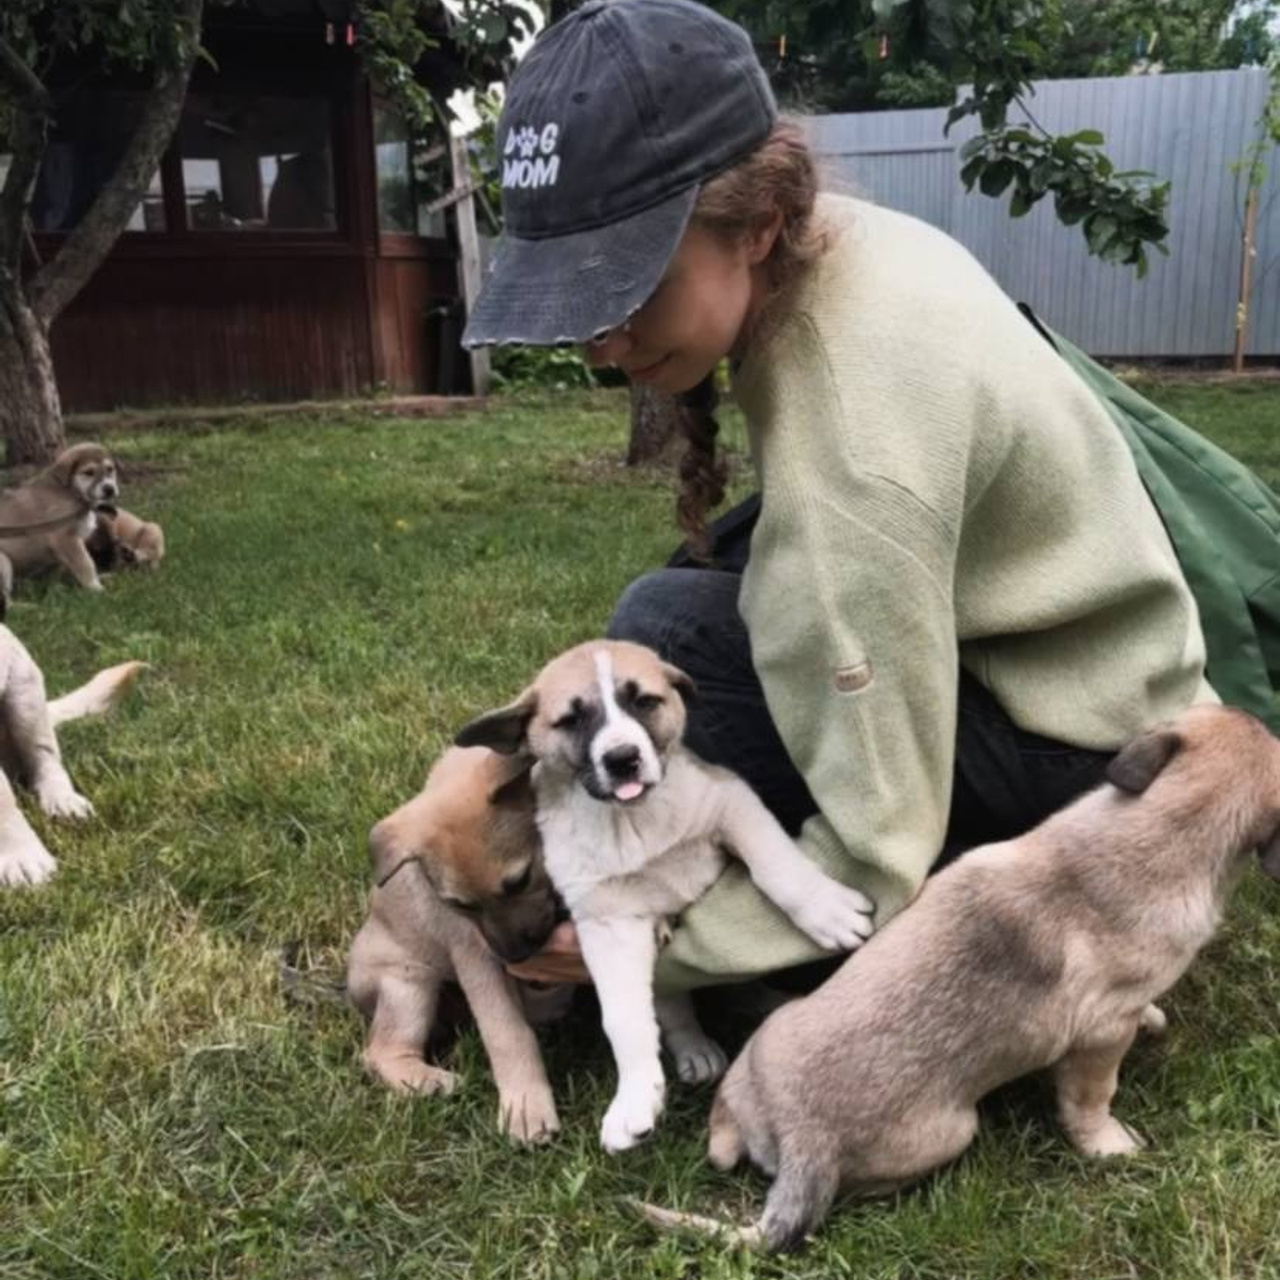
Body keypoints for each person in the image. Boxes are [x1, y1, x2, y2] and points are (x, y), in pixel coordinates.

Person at [462, 0, 1216, 992]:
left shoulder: (853, 441)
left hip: (1106, 780)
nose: (599, 344)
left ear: (756, 222)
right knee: (680, 612)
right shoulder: (832, 246)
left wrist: (668, 945)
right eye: (573, 301)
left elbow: (877, 844)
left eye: (623, 285)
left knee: (674, 637)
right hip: (1110, 714)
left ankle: (1021, 935)